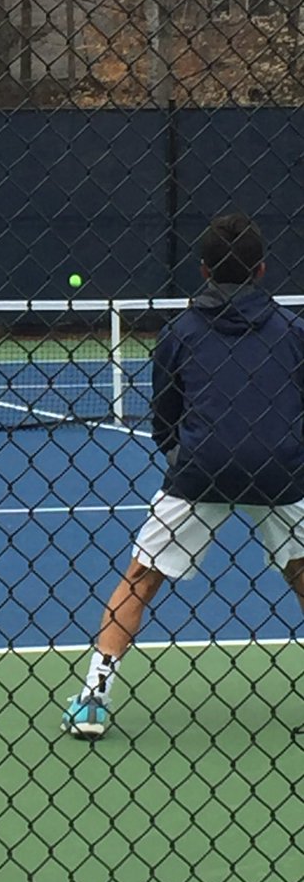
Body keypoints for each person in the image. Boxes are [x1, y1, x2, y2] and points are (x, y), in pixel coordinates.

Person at [63, 211, 304, 739]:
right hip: (280, 471)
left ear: (202, 270)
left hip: (200, 471)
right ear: (263, 271)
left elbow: (164, 420)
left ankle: (92, 701)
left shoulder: (179, 333)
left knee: (141, 578)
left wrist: (191, 460)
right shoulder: (294, 332)